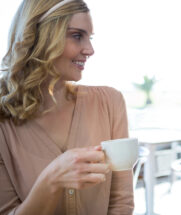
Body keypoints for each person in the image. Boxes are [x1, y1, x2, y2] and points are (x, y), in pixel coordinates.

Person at [0, 0, 134, 214]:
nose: (90, 50)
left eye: (90, 38)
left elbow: (121, 203)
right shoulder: (3, 122)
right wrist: (51, 180)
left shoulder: (110, 102)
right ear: (39, 36)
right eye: (77, 35)